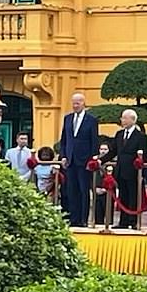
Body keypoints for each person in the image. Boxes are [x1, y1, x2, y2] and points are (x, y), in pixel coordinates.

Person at [99, 109, 147, 229]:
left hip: (133, 170)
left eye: (125, 118)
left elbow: (143, 153)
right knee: (123, 196)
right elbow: (113, 151)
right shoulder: (119, 134)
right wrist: (101, 160)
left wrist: (139, 161)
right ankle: (123, 222)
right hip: (120, 170)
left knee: (133, 196)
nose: (123, 120)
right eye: (122, 118)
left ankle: (133, 221)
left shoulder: (140, 136)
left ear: (132, 120)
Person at [59, 92, 99, 227]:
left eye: (78, 103)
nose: (75, 106)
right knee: (71, 190)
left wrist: (92, 158)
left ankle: (83, 219)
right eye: (73, 103)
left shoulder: (91, 120)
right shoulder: (68, 118)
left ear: (83, 103)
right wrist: (63, 156)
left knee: (83, 190)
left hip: (84, 160)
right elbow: (64, 139)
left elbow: (94, 141)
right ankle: (73, 218)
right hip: (70, 160)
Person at [94, 143, 110, 225]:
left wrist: (106, 188)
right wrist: (94, 188)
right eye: (101, 149)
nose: (103, 151)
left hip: (109, 192)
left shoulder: (113, 162)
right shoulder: (94, 162)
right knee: (98, 215)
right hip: (97, 191)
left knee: (108, 215)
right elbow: (91, 177)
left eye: (105, 149)